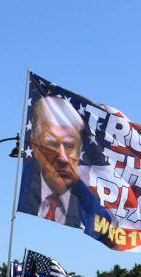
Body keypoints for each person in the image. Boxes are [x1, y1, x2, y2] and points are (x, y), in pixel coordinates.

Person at [22, 95, 101, 227]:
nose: (63, 158)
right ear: (35, 147)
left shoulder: (90, 205)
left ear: (79, 150)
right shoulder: (26, 185)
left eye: (69, 146)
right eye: (52, 145)